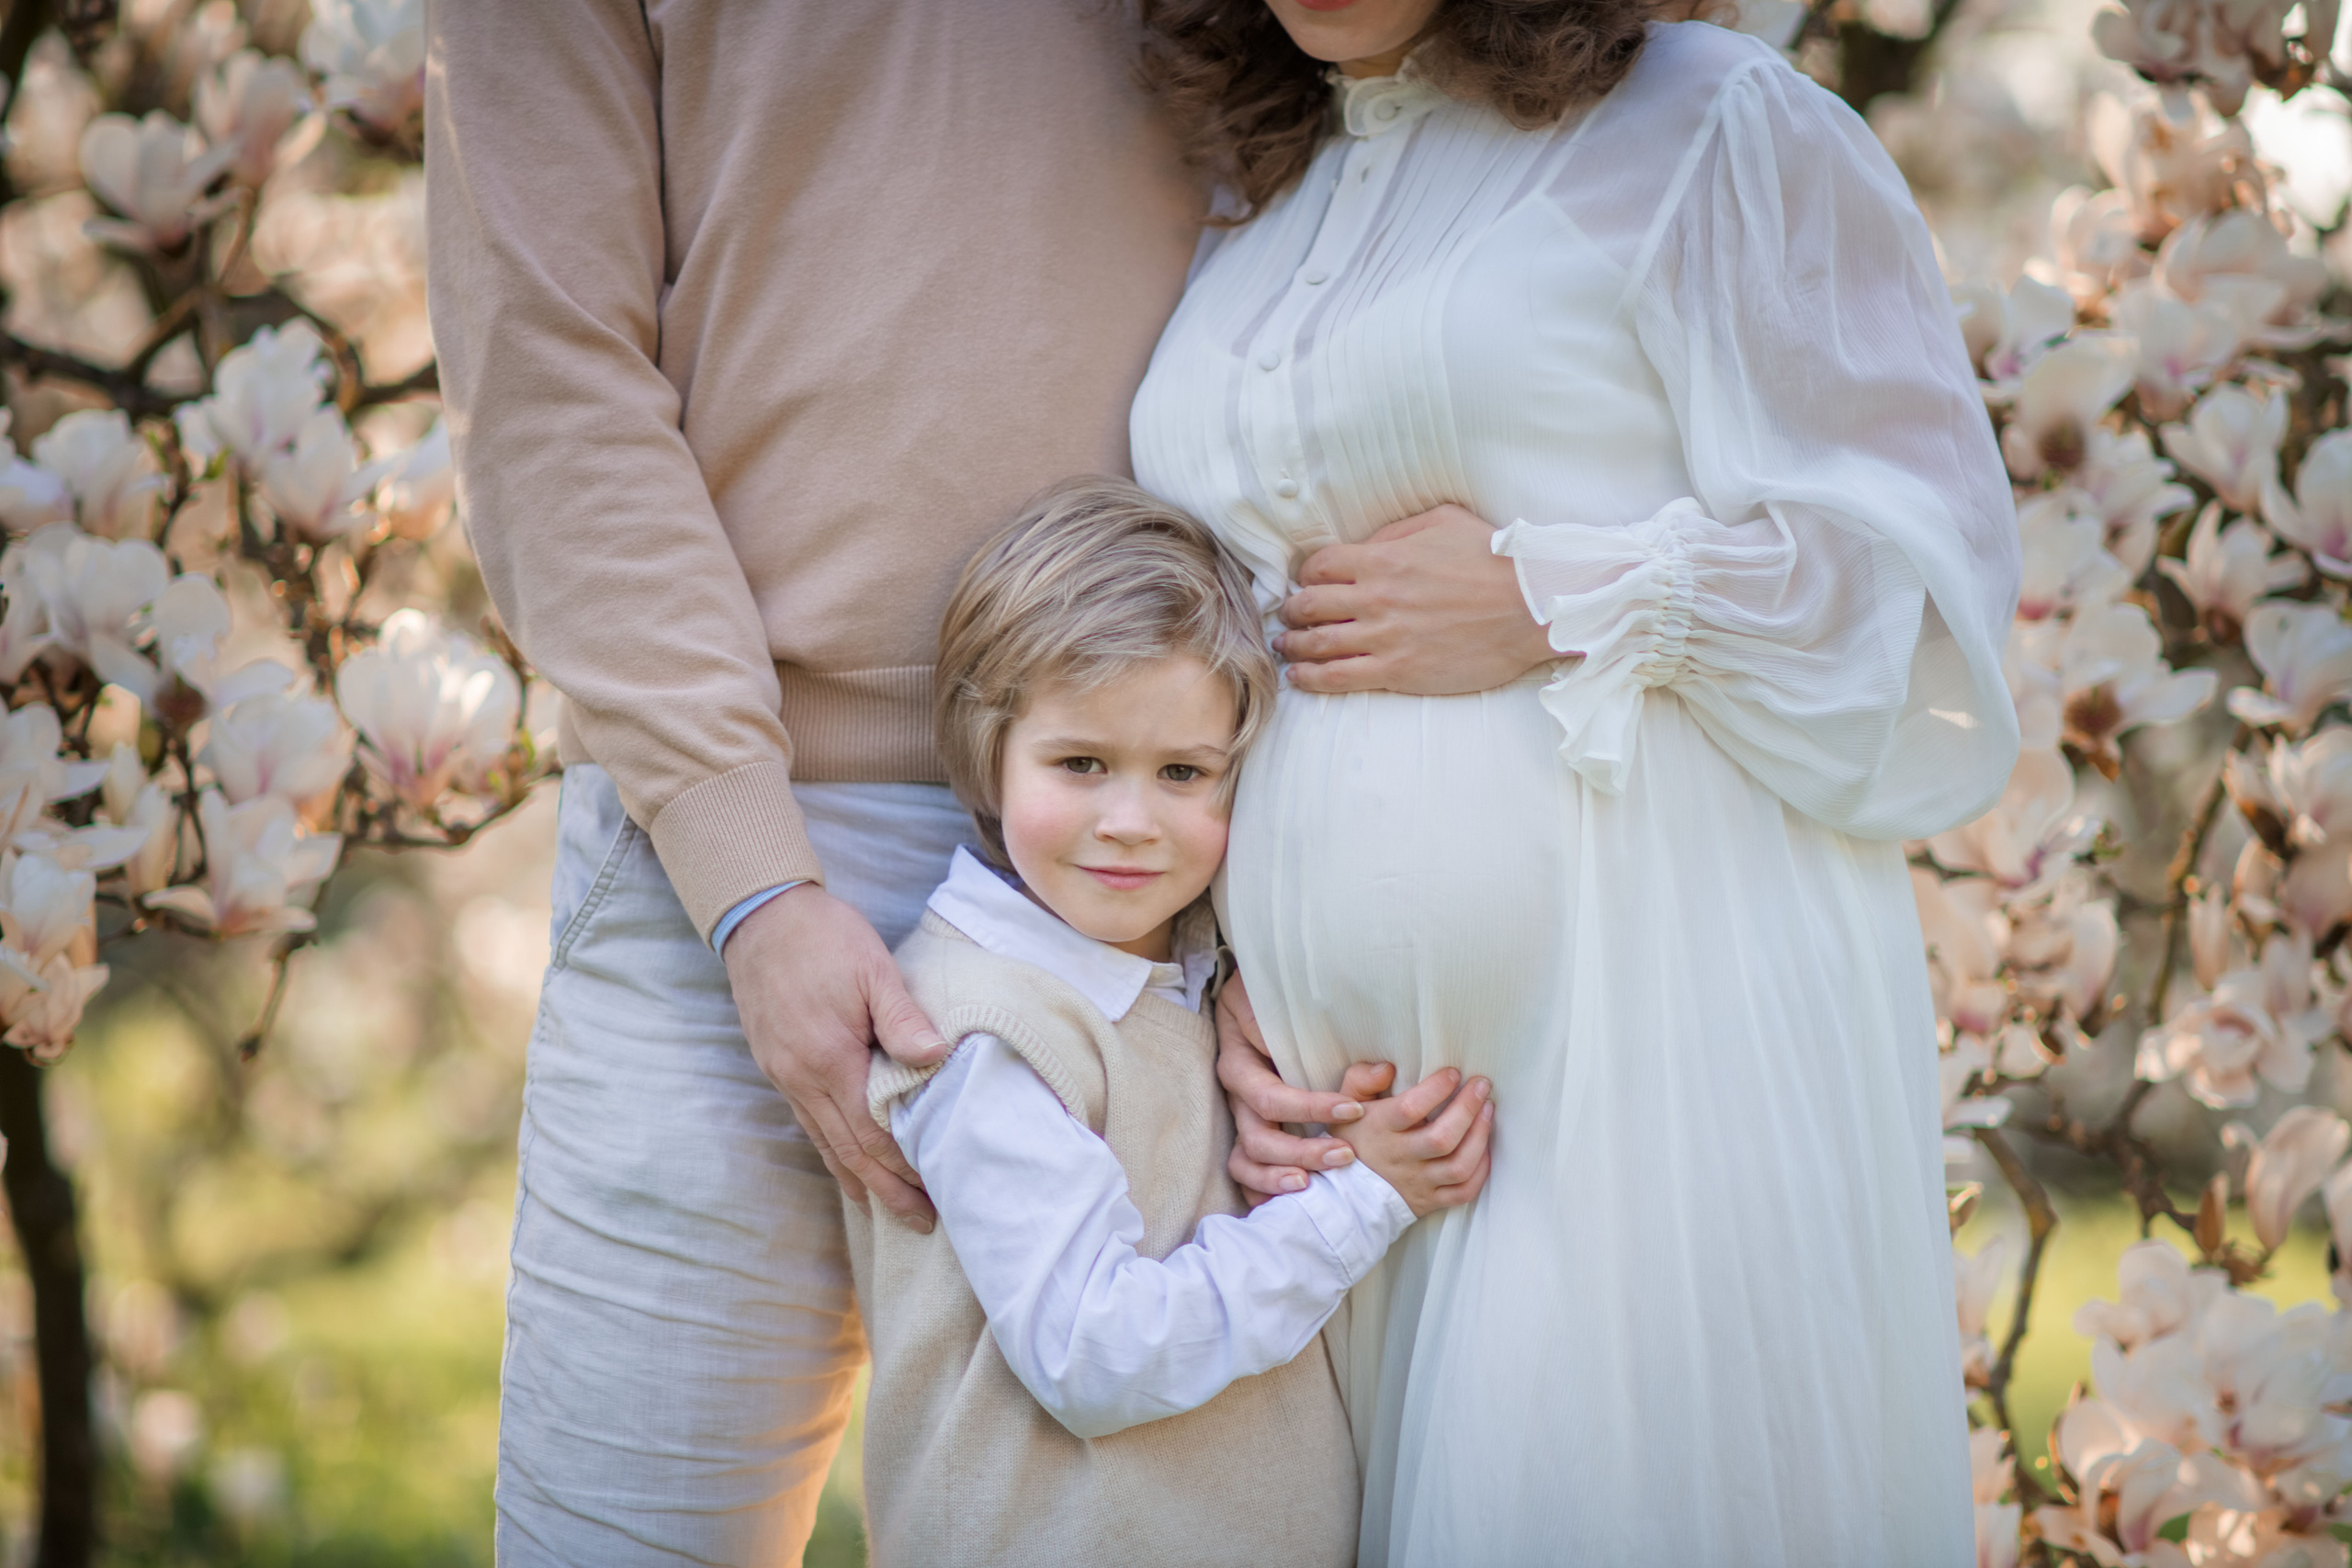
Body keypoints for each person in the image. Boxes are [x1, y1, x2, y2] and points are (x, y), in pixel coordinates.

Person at [421, 6, 1391, 1562]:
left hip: (1160, 849)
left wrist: (1243, 904)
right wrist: (753, 884)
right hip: (731, 846)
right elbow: (544, 360)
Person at [1130, 0, 2024, 1563]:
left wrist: (1562, 595)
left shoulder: (1711, 125)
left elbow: (1915, 584)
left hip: (1650, 1039)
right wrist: (1222, 959)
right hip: (1339, 1140)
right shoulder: (1265, 182)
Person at [843, 479, 1490, 1567]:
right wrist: (1364, 1202)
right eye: (1080, 764)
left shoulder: (1175, 969)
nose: (1131, 822)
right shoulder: (982, 1028)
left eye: (1183, 773)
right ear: (987, 747)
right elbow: (1093, 1352)